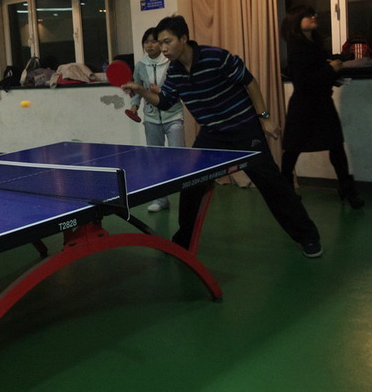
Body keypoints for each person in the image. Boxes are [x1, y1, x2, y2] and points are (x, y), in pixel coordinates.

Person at [123, 15, 323, 258]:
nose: (163, 48)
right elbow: (165, 102)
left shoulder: (216, 57)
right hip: (212, 133)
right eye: (160, 43)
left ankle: (308, 236)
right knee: (191, 182)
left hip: (243, 127)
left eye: (168, 41)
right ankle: (183, 241)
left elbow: (249, 81)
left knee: (272, 184)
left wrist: (264, 117)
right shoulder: (174, 72)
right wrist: (141, 90)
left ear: (183, 38)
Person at [280, 5, 364, 208]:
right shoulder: (296, 47)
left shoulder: (315, 43)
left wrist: (333, 68)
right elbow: (304, 81)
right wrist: (330, 69)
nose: (314, 17)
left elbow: (317, 73)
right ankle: (285, 192)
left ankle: (346, 188)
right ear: (296, 21)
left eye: (313, 14)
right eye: (308, 15)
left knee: (336, 146)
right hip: (304, 106)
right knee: (292, 150)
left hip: (322, 103)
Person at [128, 28, 185, 212]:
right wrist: (134, 106)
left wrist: (160, 92)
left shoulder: (171, 63)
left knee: (178, 157)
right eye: (146, 42)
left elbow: (178, 88)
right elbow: (137, 89)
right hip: (151, 118)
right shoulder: (140, 65)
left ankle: (186, 198)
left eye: (154, 41)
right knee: (155, 160)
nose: (150, 45)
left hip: (173, 115)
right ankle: (161, 200)